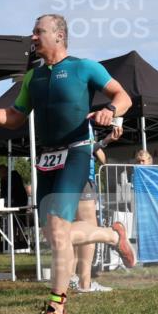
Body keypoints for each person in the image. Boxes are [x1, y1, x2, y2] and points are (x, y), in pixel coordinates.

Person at [0, 13, 134, 314]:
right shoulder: (33, 78)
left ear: (59, 35)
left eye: (39, 32)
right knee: (53, 234)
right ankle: (112, 236)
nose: (33, 37)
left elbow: (123, 95)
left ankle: (57, 306)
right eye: (33, 32)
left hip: (76, 152)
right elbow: (14, 117)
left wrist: (110, 110)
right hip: (46, 158)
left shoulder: (84, 67)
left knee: (60, 230)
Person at [71, 125, 122, 293]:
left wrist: (101, 144)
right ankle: (84, 284)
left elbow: (96, 152)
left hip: (64, 177)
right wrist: (106, 141)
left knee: (74, 228)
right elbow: (86, 147)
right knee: (88, 228)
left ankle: (71, 278)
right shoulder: (80, 117)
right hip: (81, 175)